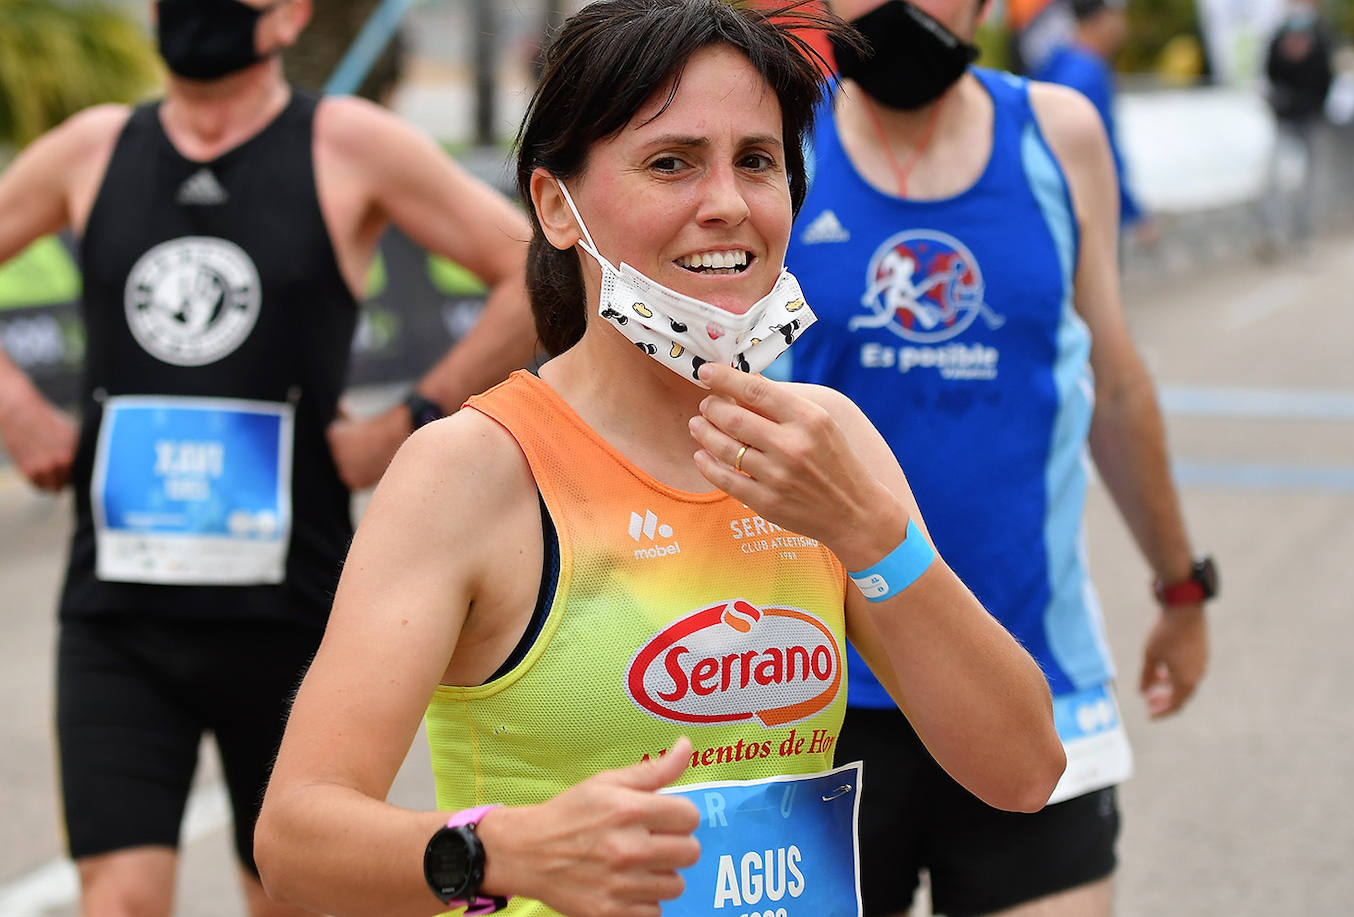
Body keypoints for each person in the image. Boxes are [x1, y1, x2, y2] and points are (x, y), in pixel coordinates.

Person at [253, 2, 1066, 915]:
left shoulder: (823, 442)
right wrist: (502, 850)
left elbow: (1025, 768)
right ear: (557, 206)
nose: (726, 202)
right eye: (671, 162)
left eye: (757, 161)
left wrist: (872, 533)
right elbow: (294, 837)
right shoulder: (475, 468)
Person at [0, 0, 536, 913]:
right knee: (118, 897)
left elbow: (530, 270)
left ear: (290, 15)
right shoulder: (93, 148)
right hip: (119, 612)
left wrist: (408, 415)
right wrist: (16, 407)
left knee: (290, 895)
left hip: (292, 609)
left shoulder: (350, 144)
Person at [772, 1, 1216, 915]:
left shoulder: (1059, 135)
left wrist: (1180, 586)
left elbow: (1116, 383)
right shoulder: (774, 133)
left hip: (1029, 675)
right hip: (813, 693)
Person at [1031, 0, 1158, 246]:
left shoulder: (1053, 62)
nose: (1124, 27)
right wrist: (1133, 211)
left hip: (1052, 208)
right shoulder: (1088, 74)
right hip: (1088, 212)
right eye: (1119, 16)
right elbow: (1103, 152)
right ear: (1104, 18)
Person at [1261, 0, 1334, 255]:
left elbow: (1325, 80)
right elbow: (1271, 74)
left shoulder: (1321, 37)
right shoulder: (1277, 37)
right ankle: (1275, 234)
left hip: (1312, 119)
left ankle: (1305, 234)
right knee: (1276, 178)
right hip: (1285, 120)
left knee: (1313, 180)